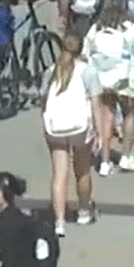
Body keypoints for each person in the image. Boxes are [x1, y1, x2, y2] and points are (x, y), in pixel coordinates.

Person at [86, 0, 134, 175]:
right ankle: (126, 156)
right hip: (126, 80)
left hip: (102, 80)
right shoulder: (131, 29)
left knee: (106, 118)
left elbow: (85, 53)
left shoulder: (96, 29)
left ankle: (105, 161)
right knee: (129, 115)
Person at [39, 34, 96, 236]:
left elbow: (43, 99)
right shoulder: (87, 71)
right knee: (82, 171)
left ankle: (59, 222)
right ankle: (83, 211)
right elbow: (96, 103)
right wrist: (97, 130)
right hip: (79, 127)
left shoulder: (51, 71)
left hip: (55, 128)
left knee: (58, 174)